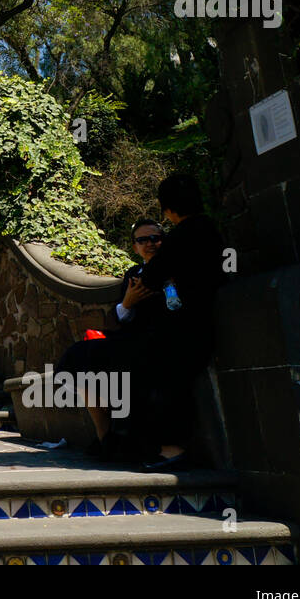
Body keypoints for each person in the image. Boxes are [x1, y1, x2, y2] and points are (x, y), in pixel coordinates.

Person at [130, 174, 227, 471]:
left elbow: (152, 278)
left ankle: (171, 450)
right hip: (205, 319)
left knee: (163, 382)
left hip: (184, 327)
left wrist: (168, 284)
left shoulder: (182, 236)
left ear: (169, 209)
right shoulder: (211, 228)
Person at [55, 218, 167, 457]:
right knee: (77, 358)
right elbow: (120, 317)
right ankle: (104, 435)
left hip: (158, 340)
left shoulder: (172, 271)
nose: (150, 244)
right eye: (142, 240)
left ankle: (118, 438)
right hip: (131, 338)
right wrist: (129, 301)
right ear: (135, 246)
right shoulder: (133, 274)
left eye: (155, 238)